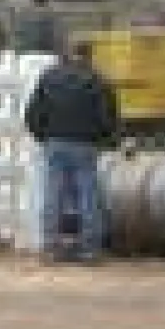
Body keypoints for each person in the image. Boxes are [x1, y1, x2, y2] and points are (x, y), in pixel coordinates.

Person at [23, 40, 119, 263]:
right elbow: (108, 116)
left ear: (66, 55)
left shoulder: (49, 77)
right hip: (85, 144)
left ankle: (51, 246)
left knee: (53, 192)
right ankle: (89, 248)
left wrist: (43, 136)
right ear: (89, 55)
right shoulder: (97, 80)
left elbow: (33, 113)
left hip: (55, 142)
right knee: (88, 194)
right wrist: (103, 138)